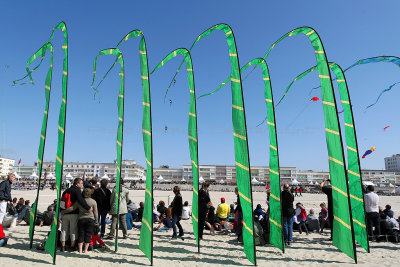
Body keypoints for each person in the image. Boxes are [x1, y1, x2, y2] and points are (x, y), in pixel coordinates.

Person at [60, 178, 92, 252]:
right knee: (73, 230)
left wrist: (62, 211)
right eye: (81, 183)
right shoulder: (77, 190)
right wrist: (88, 208)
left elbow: (62, 202)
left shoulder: (66, 190)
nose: (82, 185)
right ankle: (72, 246)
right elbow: (81, 200)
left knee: (64, 230)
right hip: (73, 213)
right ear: (77, 184)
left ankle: (63, 246)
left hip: (64, 213)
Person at [76, 188, 98, 254]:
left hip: (81, 218)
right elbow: (95, 212)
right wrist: (96, 221)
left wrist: (64, 211)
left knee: (81, 234)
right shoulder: (93, 201)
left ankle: (80, 250)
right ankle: (85, 250)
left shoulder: (80, 201)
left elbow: (73, 208)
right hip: (90, 219)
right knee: (88, 235)